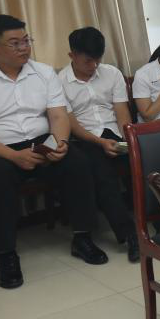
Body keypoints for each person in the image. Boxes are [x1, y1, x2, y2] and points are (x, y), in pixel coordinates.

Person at [0, 15, 108, 290]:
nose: (24, 48)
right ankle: (5, 254)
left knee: (77, 162)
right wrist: (13, 156)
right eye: (15, 43)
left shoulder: (44, 73)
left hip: (41, 141)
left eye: (26, 41)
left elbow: (58, 116)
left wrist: (60, 143)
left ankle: (83, 237)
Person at [58, 27, 139, 262]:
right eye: (88, 61)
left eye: (98, 60)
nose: (94, 66)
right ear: (72, 55)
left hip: (115, 132)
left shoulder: (111, 73)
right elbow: (71, 124)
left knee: (144, 161)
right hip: (85, 138)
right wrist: (100, 142)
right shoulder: (59, 81)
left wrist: (129, 139)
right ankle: (130, 235)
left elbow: (121, 111)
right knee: (102, 171)